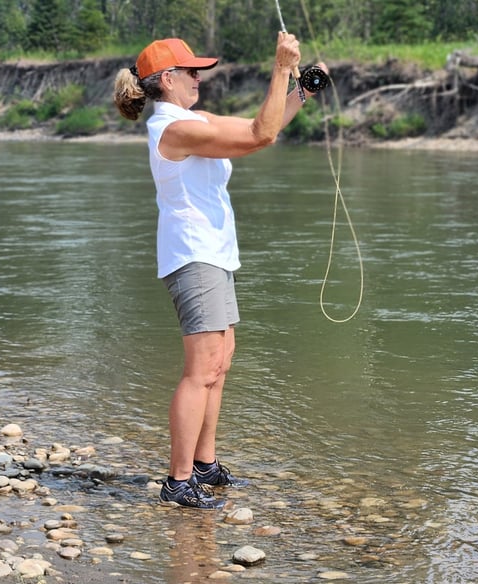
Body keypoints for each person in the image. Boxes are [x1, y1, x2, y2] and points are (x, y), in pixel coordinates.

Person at [113, 33, 323, 509]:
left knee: (220, 362)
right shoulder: (172, 129)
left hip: (216, 254)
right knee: (201, 370)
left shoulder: (194, 120)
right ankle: (178, 481)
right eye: (192, 72)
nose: (199, 78)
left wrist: (302, 89)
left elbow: (262, 123)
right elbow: (260, 137)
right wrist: (279, 68)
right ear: (168, 79)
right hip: (193, 256)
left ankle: (204, 465)